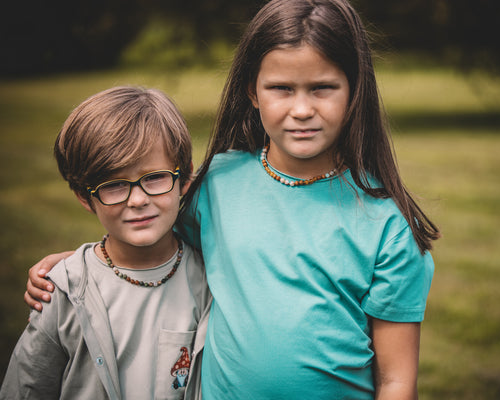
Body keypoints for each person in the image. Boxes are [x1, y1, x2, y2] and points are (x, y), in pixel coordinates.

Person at [25, 0, 440, 399]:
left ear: (354, 91)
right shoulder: (219, 181)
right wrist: (82, 267)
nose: (301, 109)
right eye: (280, 88)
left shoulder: (386, 225)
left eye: (322, 88)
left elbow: (397, 382)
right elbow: (156, 240)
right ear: (253, 92)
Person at [4, 86, 212, 400]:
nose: (138, 200)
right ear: (85, 197)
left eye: (154, 177)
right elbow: (25, 389)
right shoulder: (64, 291)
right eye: (114, 184)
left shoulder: (210, 280)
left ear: (184, 180)